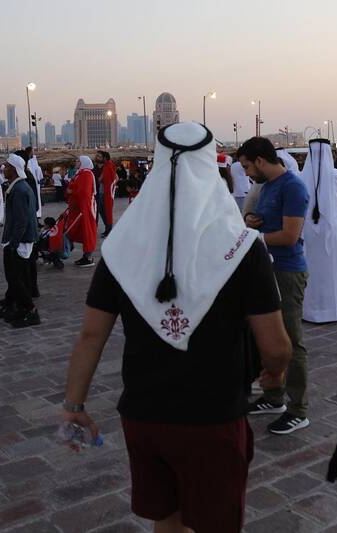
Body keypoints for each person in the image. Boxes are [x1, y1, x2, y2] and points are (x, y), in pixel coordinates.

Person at [61, 122, 291, 533]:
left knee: (166, 519)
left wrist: (74, 406)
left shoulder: (122, 246)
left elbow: (91, 336)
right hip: (215, 416)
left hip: (144, 414)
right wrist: (274, 373)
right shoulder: (242, 249)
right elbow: (274, 346)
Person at [239, 136, 311, 435]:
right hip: (267, 270)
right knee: (266, 335)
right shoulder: (267, 185)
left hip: (287, 271)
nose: (246, 173)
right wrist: (251, 220)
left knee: (291, 340)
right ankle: (273, 397)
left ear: (260, 160)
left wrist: (253, 238)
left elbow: (290, 235)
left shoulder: (292, 186)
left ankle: (298, 409)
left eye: (247, 166)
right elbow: (265, 221)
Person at [300, 138, 337, 323]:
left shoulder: (301, 176)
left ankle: (311, 310)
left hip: (308, 229)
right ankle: (335, 309)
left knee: (312, 269)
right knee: (333, 268)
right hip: (332, 228)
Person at [0, 152, 40, 328]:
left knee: (16, 278)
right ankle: (13, 305)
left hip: (19, 240)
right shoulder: (19, 186)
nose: (3, 169)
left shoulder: (19, 190)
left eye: (7, 166)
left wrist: (13, 243)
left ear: (14, 169)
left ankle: (30, 311)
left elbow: (21, 220)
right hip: (18, 239)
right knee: (14, 277)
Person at [65, 156, 98, 267]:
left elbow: (84, 192)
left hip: (85, 207)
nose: (76, 162)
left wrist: (71, 191)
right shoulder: (81, 173)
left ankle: (88, 257)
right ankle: (86, 256)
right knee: (82, 230)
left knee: (87, 230)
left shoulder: (86, 174)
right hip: (80, 208)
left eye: (78, 161)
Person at [94, 151, 118, 237]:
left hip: (103, 192)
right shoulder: (94, 167)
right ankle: (108, 228)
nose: (97, 157)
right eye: (97, 156)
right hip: (96, 192)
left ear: (103, 158)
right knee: (101, 210)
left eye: (99, 156)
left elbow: (116, 178)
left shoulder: (106, 167)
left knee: (101, 210)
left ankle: (107, 229)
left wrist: (110, 187)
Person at [24, 146, 43, 219]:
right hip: (31, 183)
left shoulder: (34, 161)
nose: (34, 153)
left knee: (36, 199)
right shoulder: (28, 162)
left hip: (35, 184)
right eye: (33, 151)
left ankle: (37, 214)